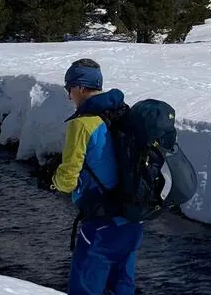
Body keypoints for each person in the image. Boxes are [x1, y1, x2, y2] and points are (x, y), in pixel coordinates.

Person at [47, 58, 143, 295]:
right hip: (132, 218)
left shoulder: (82, 124)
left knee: (85, 289)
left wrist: (52, 180)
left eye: (69, 88)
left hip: (101, 222)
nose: (69, 96)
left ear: (79, 87)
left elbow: (68, 179)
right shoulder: (122, 113)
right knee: (122, 287)